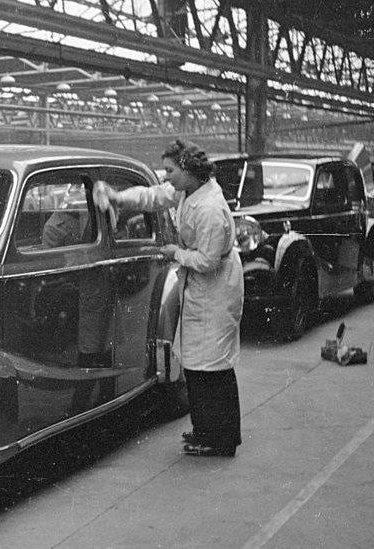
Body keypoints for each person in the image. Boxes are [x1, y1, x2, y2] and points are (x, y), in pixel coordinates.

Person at [94, 139, 243, 457]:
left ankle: (222, 439)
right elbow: (153, 196)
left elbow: (208, 261)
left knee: (213, 365)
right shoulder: (188, 190)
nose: (167, 177)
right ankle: (205, 430)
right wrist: (118, 196)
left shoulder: (210, 209)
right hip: (201, 286)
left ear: (188, 169)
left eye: (170, 170)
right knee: (197, 361)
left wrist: (176, 252)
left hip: (215, 285)